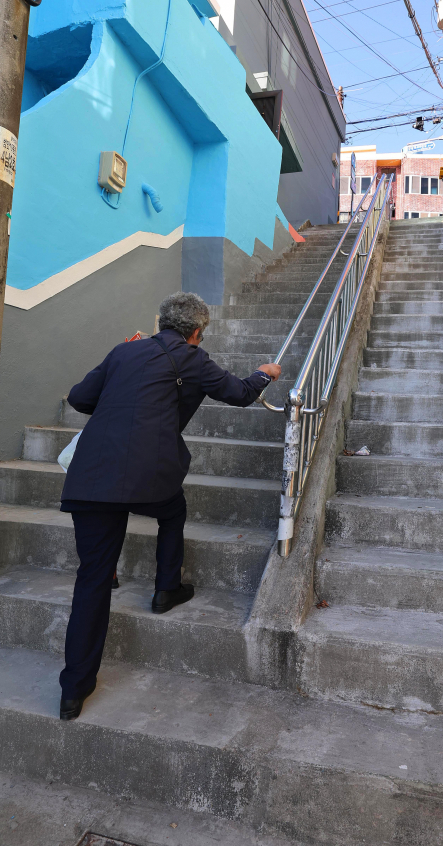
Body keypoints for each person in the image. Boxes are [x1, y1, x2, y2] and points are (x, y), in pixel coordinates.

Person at [58, 292, 281, 721]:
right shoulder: (193, 358)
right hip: (149, 476)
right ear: (196, 333)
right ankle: (165, 588)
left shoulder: (124, 351)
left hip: (92, 476)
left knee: (92, 579)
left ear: (159, 322)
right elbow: (238, 393)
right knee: (172, 511)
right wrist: (264, 374)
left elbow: (80, 398)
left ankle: (73, 690)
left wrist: (120, 361)